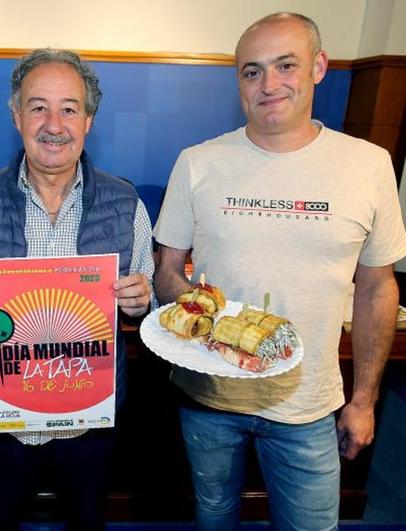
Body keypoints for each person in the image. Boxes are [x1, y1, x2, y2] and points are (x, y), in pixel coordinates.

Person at [152, 12, 406, 531]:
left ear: (318, 67)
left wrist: (363, 400)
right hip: (210, 399)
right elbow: (167, 270)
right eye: (251, 71)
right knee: (214, 517)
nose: (268, 85)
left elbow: (378, 288)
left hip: (308, 403)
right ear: (238, 81)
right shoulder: (198, 162)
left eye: (284, 65)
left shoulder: (368, 164)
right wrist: (193, 307)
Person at [0, 48, 154, 531]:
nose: (54, 124)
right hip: (4, 419)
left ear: (89, 120)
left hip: (90, 419)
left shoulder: (127, 203)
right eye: (38, 107)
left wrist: (142, 303)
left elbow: (147, 306)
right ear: (16, 117)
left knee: (87, 521)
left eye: (69, 108)